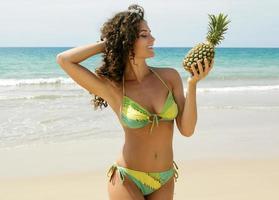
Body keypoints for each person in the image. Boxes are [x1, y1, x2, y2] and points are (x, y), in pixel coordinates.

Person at [56, 4, 213, 200]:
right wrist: (110, 43)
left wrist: (192, 84)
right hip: (127, 178)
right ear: (128, 40)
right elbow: (64, 60)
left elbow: (187, 130)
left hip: (164, 179)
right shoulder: (113, 88)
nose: (153, 39)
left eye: (150, 34)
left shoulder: (169, 77)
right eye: (144, 35)